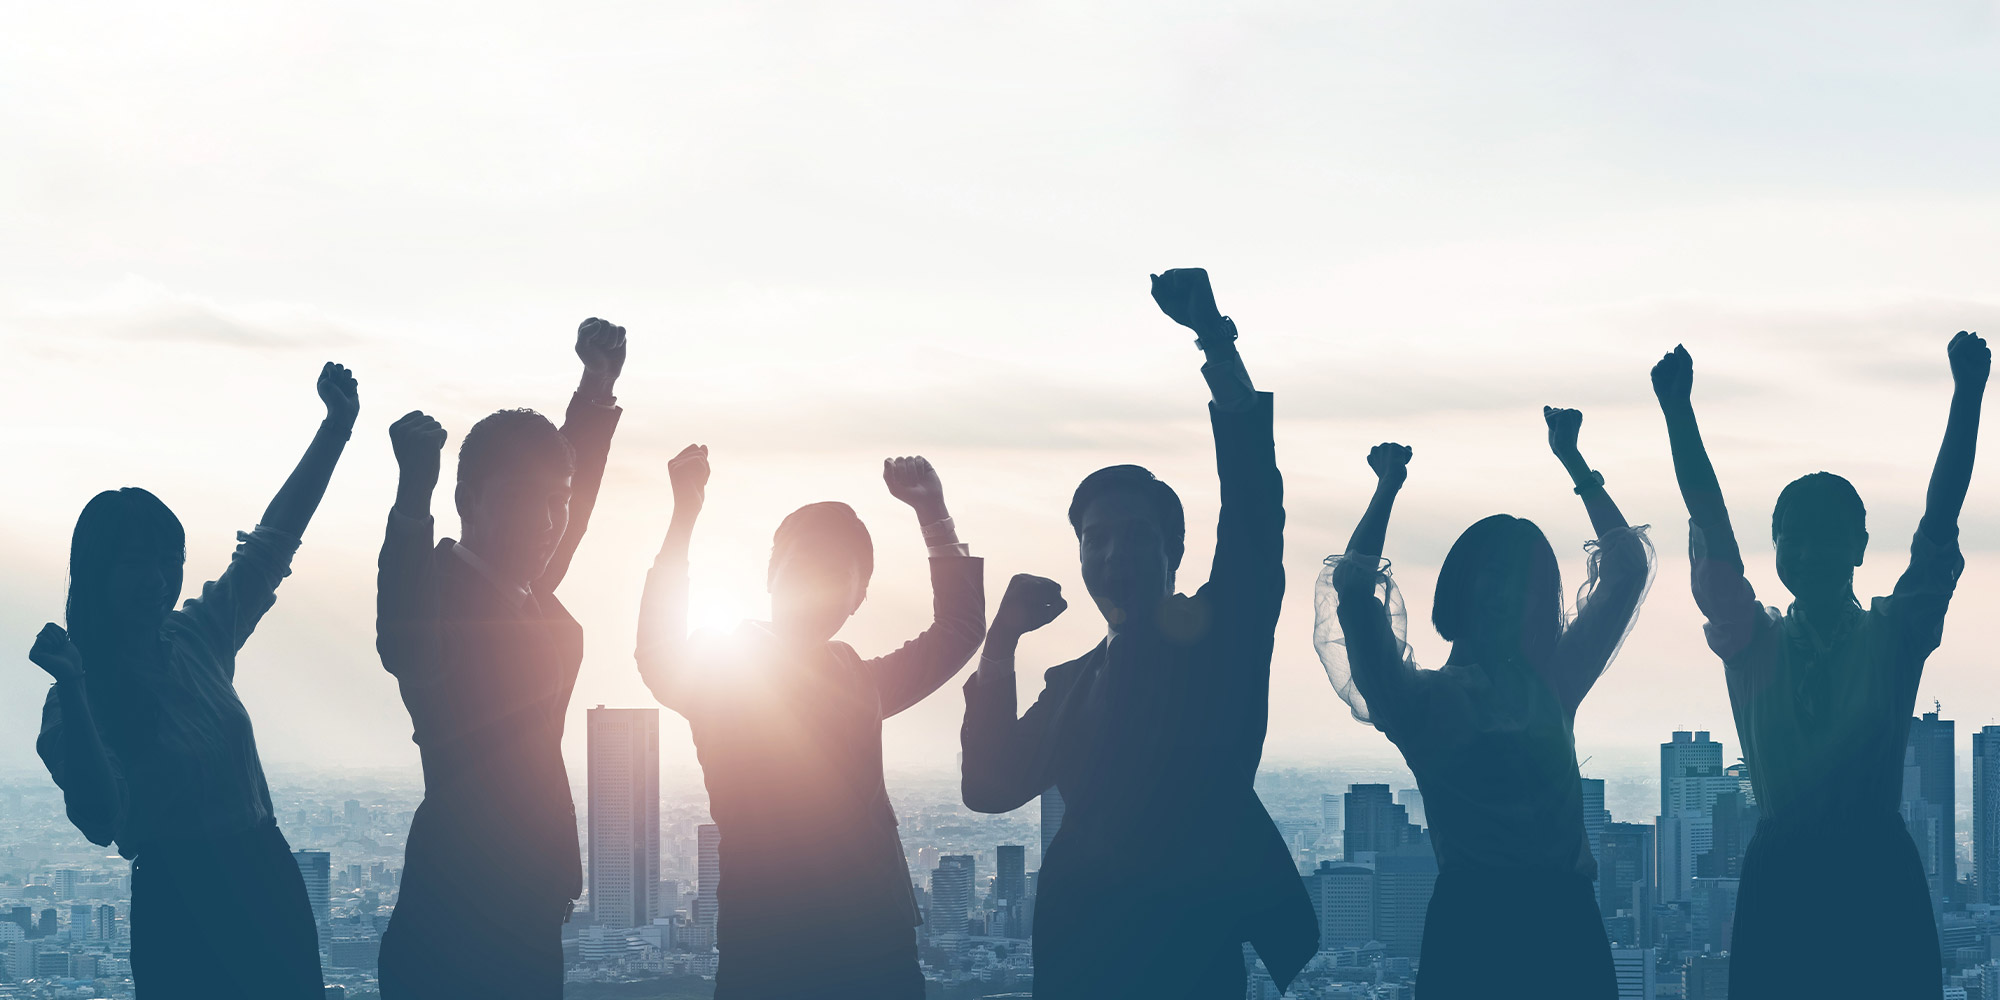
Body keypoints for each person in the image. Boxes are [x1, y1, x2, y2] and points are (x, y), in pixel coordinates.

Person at [959, 269, 1317, 999]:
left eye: (1134, 537)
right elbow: (990, 786)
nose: (1113, 556)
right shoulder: (1072, 682)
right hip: (1076, 963)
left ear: (1174, 551)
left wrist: (1215, 344)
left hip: (1184, 963)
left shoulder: (1220, 642)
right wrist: (1001, 644)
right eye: (1096, 540)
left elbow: (1254, 511)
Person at [1652, 332, 1987, 996]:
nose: (1806, 553)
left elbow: (1938, 526)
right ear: (1774, 544)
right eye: (1791, 537)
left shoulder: (1893, 636)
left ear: (1860, 546)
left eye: (1826, 537)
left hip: (1873, 876)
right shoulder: (1753, 640)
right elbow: (1714, 535)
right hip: (1788, 879)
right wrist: (1679, 413)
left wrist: (1969, 396)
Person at [29, 362, 359, 999]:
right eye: (135, 561)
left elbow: (271, 544)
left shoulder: (196, 638)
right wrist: (72, 683)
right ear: (96, 573)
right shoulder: (75, 698)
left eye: (167, 560)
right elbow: (100, 819)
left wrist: (336, 429)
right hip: (184, 906)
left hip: (266, 879)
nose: (157, 577)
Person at [1314, 408, 1654, 998]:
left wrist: (1577, 465)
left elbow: (1627, 568)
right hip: (1480, 929)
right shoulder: (1421, 702)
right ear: (1459, 585)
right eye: (1490, 576)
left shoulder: (1550, 681)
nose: (1504, 594)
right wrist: (1385, 491)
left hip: (1562, 925)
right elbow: (1353, 595)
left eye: (1522, 582)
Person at [635, 445, 984, 999]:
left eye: (834, 572)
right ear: (771, 574)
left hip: (876, 943)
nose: (814, 583)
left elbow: (959, 631)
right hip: (774, 948)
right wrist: (683, 518)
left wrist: (933, 515)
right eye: (804, 563)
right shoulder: (722, 673)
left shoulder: (858, 681)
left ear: (857, 598)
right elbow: (656, 653)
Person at [375, 318, 626, 999]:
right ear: (469, 503)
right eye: (526, 502)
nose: (549, 523)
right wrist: (410, 496)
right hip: (456, 932)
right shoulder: (439, 600)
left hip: (528, 924)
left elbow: (569, 495)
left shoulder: (532, 598)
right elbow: (401, 636)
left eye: (557, 505)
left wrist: (596, 390)